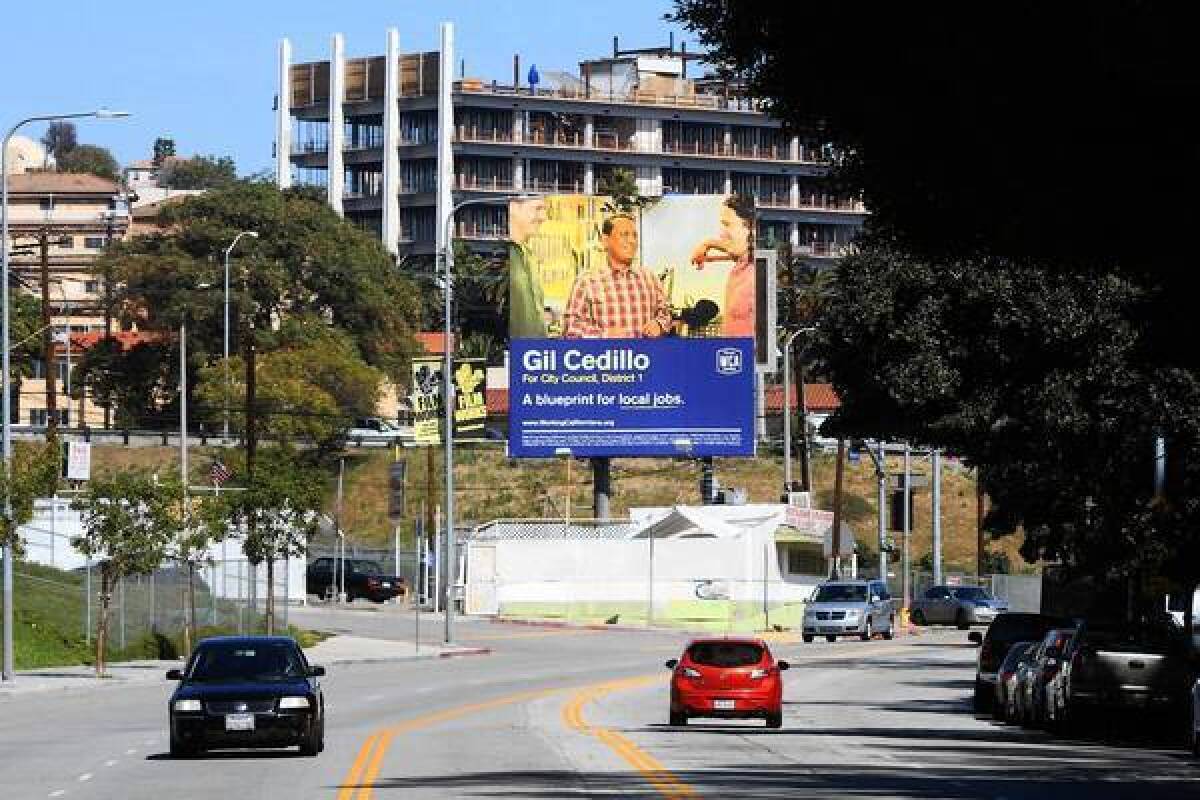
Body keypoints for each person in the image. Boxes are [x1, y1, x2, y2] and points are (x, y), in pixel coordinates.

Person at [562, 213, 671, 338]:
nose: (632, 241)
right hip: (608, 356)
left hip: (645, 356)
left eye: (634, 236)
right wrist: (604, 335)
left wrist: (659, 324)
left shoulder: (650, 278)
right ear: (605, 241)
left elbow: (665, 314)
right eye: (624, 235)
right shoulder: (586, 282)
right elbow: (570, 328)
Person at [689, 195, 756, 338]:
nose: (721, 233)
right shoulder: (744, 262)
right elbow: (736, 250)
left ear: (752, 227)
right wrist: (709, 247)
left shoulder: (759, 272)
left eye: (727, 224)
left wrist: (708, 244)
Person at [507, 197, 549, 338]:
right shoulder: (502, 254)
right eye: (537, 209)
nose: (543, 218)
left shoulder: (530, 256)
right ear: (513, 208)